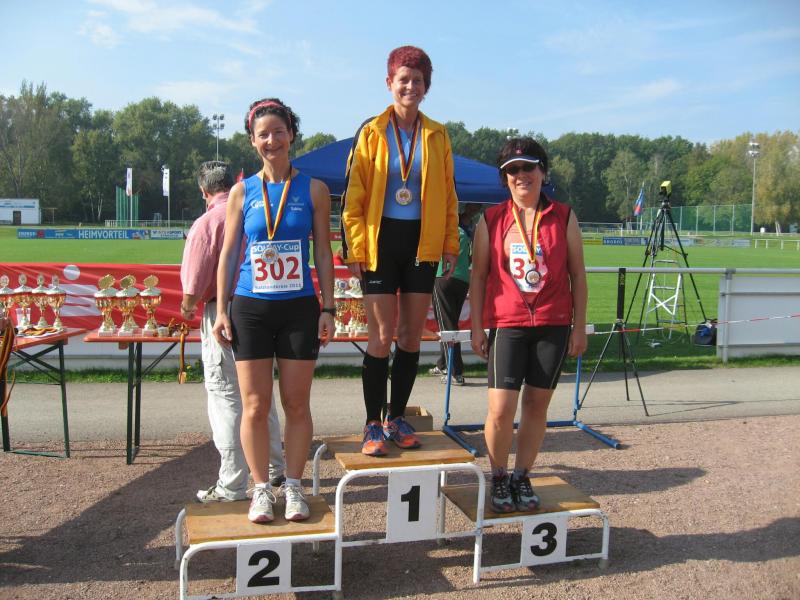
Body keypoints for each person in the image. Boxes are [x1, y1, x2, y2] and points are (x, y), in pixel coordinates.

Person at [212, 99, 335, 523]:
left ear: (291, 135)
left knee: (297, 404)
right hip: (251, 308)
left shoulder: (314, 190)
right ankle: (261, 489)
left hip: (299, 308)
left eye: (278, 132)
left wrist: (329, 307)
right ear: (252, 141)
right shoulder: (241, 192)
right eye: (263, 134)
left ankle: (294, 486)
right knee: (254, 405)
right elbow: (229, 253)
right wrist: (222, 309)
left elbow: (323, 251)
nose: (271, 140)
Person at [342, 46, 459, 456]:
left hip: (421, 241)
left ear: (427, 87)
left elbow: (449, 195)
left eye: (418, 80)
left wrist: (450, 243)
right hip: (380, 241)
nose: (410, 86)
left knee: (410, 336)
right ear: (389, 82)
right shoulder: (371, 131)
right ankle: (372, 424)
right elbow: (354, 196)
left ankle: (396, 418)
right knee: (380, 336)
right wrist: (356, 247)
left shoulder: (438, 135)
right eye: (403, 79)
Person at [469, 137, 588, 513]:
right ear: (505, 178)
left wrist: (579, 326)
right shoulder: (491, 220)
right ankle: (498, 476)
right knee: (501, 408)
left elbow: (578, 274)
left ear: (543, 172)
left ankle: (522, 475)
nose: (521, 175)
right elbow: (478, 276)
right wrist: (477, 326)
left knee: (536, 405)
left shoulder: (564, 216)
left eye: (528, 167)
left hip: (553, 322)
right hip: (508, 322)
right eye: (512, 170)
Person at [179, 160, 286, 504]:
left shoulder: (207, 222)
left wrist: (185, 308)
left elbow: (194, 284)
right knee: (261, 395)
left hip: (223, 311)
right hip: (262, 306)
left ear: (204, 191)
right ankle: (275, 468)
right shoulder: (257, 208)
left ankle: (232, 483)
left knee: (226, 397)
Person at [430, 204, 480, 385]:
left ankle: (455, 370)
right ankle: (443, 363)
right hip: (462, 280)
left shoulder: (441, 230)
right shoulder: (466, 232)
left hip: (442, 277)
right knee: (450, 322)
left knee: (447, 326)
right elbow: (472, 256)